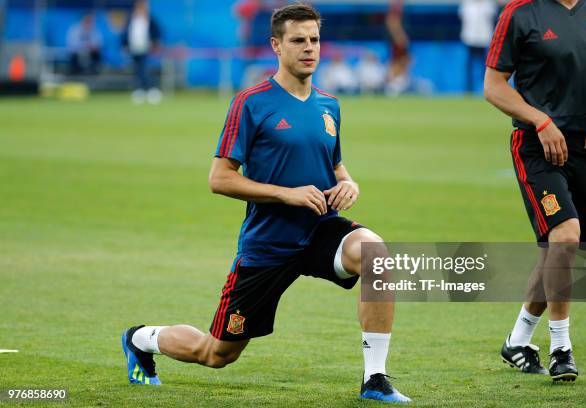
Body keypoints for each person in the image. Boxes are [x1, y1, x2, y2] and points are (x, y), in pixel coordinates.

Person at [120, 4, 411, 404]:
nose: (309, 48)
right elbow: (219, 178)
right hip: (269, 244)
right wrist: (286, 194)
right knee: (217, 353)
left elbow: (337, 164)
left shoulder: (330, 105)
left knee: (378, 255)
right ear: (276, 45)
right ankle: (141, 339)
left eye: (315, 39)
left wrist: (348, 183)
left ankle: (374, 379)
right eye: (298, 40)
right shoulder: (251, 102)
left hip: (319, 228)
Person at [484, 0, 586, 382]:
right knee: (566, 236)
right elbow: (493, 86)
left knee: (558, 249)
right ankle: (561, 348)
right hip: (537, 146)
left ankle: (518, 339)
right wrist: (540, 120)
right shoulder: (520, 13)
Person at [121, 0, 162, 104]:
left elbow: (157, 32)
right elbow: (125, 33)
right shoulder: (131, 19)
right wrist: (124, 45)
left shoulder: (149, 19)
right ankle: (138, 91)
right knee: (136, 70)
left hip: (145, 48)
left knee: (144, 69)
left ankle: (151, 90)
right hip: (133, 49)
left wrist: (154, 43)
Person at [458, 0, 497, 94]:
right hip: (469, 38)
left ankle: (487, 89)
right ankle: (468, 90)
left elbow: (492, 17)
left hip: (484, 39)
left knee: (486, 68)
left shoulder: (489, 4)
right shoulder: (467, 3)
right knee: (469, 67)